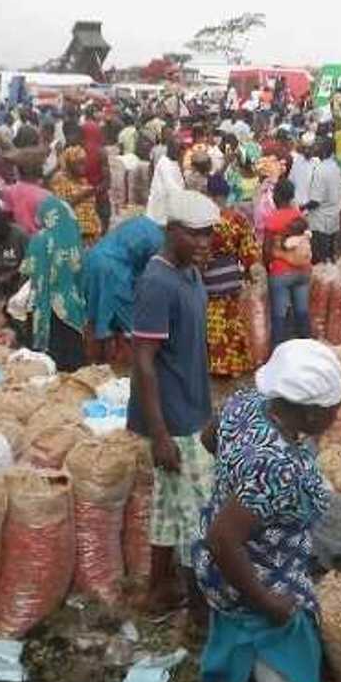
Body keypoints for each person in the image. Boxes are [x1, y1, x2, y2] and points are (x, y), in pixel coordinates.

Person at [193, 339, 341, 682]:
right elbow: (224, 540)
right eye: (334, 408)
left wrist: (235, 480)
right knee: (284, 680)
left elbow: (209, 438)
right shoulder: (277, 464)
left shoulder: (247, 404)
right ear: (312, 412)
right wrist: (267, 601)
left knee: (247, 665)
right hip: (255, 576)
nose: (337, 414)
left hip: (222, 571)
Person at [127, 189, 220, 612]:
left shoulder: (192, 274)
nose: (204, 243)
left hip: (193, 408)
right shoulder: (157, 282)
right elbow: (143, 363)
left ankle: (157, 590)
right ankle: (202, 605)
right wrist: (160, 434)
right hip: (174, 419)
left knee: (168, 507)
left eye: (209, 235)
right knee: (202, 513)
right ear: (172, 231)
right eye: (195, 235)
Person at [81, 214, 166, 362]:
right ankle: (124, 365)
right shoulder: (159, 240)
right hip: (113, 270)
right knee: (128, 323)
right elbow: (150, 275)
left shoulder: (139, 222)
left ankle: (94, 365)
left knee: (95, 316)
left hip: (93, 260)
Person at [19, 196, 87, 372]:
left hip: (42, 305)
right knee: (71, 359)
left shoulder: (39, 239)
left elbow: (28, 271)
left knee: (44, 362)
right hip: (69, 306)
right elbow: (79, 271)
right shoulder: (74, 239)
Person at [203, 178, 261, 377]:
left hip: (209, 278)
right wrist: (248, 273)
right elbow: (248, 251)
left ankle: (217, 365)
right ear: (227, 194)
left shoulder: (204, 220)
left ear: (208, 194)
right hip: (231, 277)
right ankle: (235, 364)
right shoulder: (237, 218)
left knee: (213, 323)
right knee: (232, 321)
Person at [263, 179, 312, 346]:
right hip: (303, 270)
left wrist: (266, 268)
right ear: (291, 196)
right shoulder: (299, 215)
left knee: (279, 316)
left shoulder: (273, 218)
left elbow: (267, 249)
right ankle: (307, 349)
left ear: (276, 196)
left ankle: (279, 354)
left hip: (281, 272)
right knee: (302, 312)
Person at [50, 145, 101, 248]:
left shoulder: (83, 181)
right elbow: (60, 206)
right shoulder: (59, 179)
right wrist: (81, 196)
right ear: (70, 164)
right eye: (79, 163)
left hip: (90, 235)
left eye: (84, 162)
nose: (84, 166)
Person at [305, 138, 341, 264]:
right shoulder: (336, 167)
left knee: (320, 262)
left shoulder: (320, 170)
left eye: (318, 147)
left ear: (324, 150)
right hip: (333, 218)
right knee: (330, 258)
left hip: (320, 222)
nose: (315, 149)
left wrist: (300, 207)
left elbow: (315, 201)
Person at [0, 154, 51, 236]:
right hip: (44, 237)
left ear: (17, 172)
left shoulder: (9, 191)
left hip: (24, 238)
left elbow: (7, 215)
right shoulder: (45, 195)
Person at [147, 137, 186, 225]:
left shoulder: (174, 162)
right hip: (160, 209)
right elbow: (171, 187)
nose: (180, 152)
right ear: (170, 148)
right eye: (178, 149)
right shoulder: (165, 163)